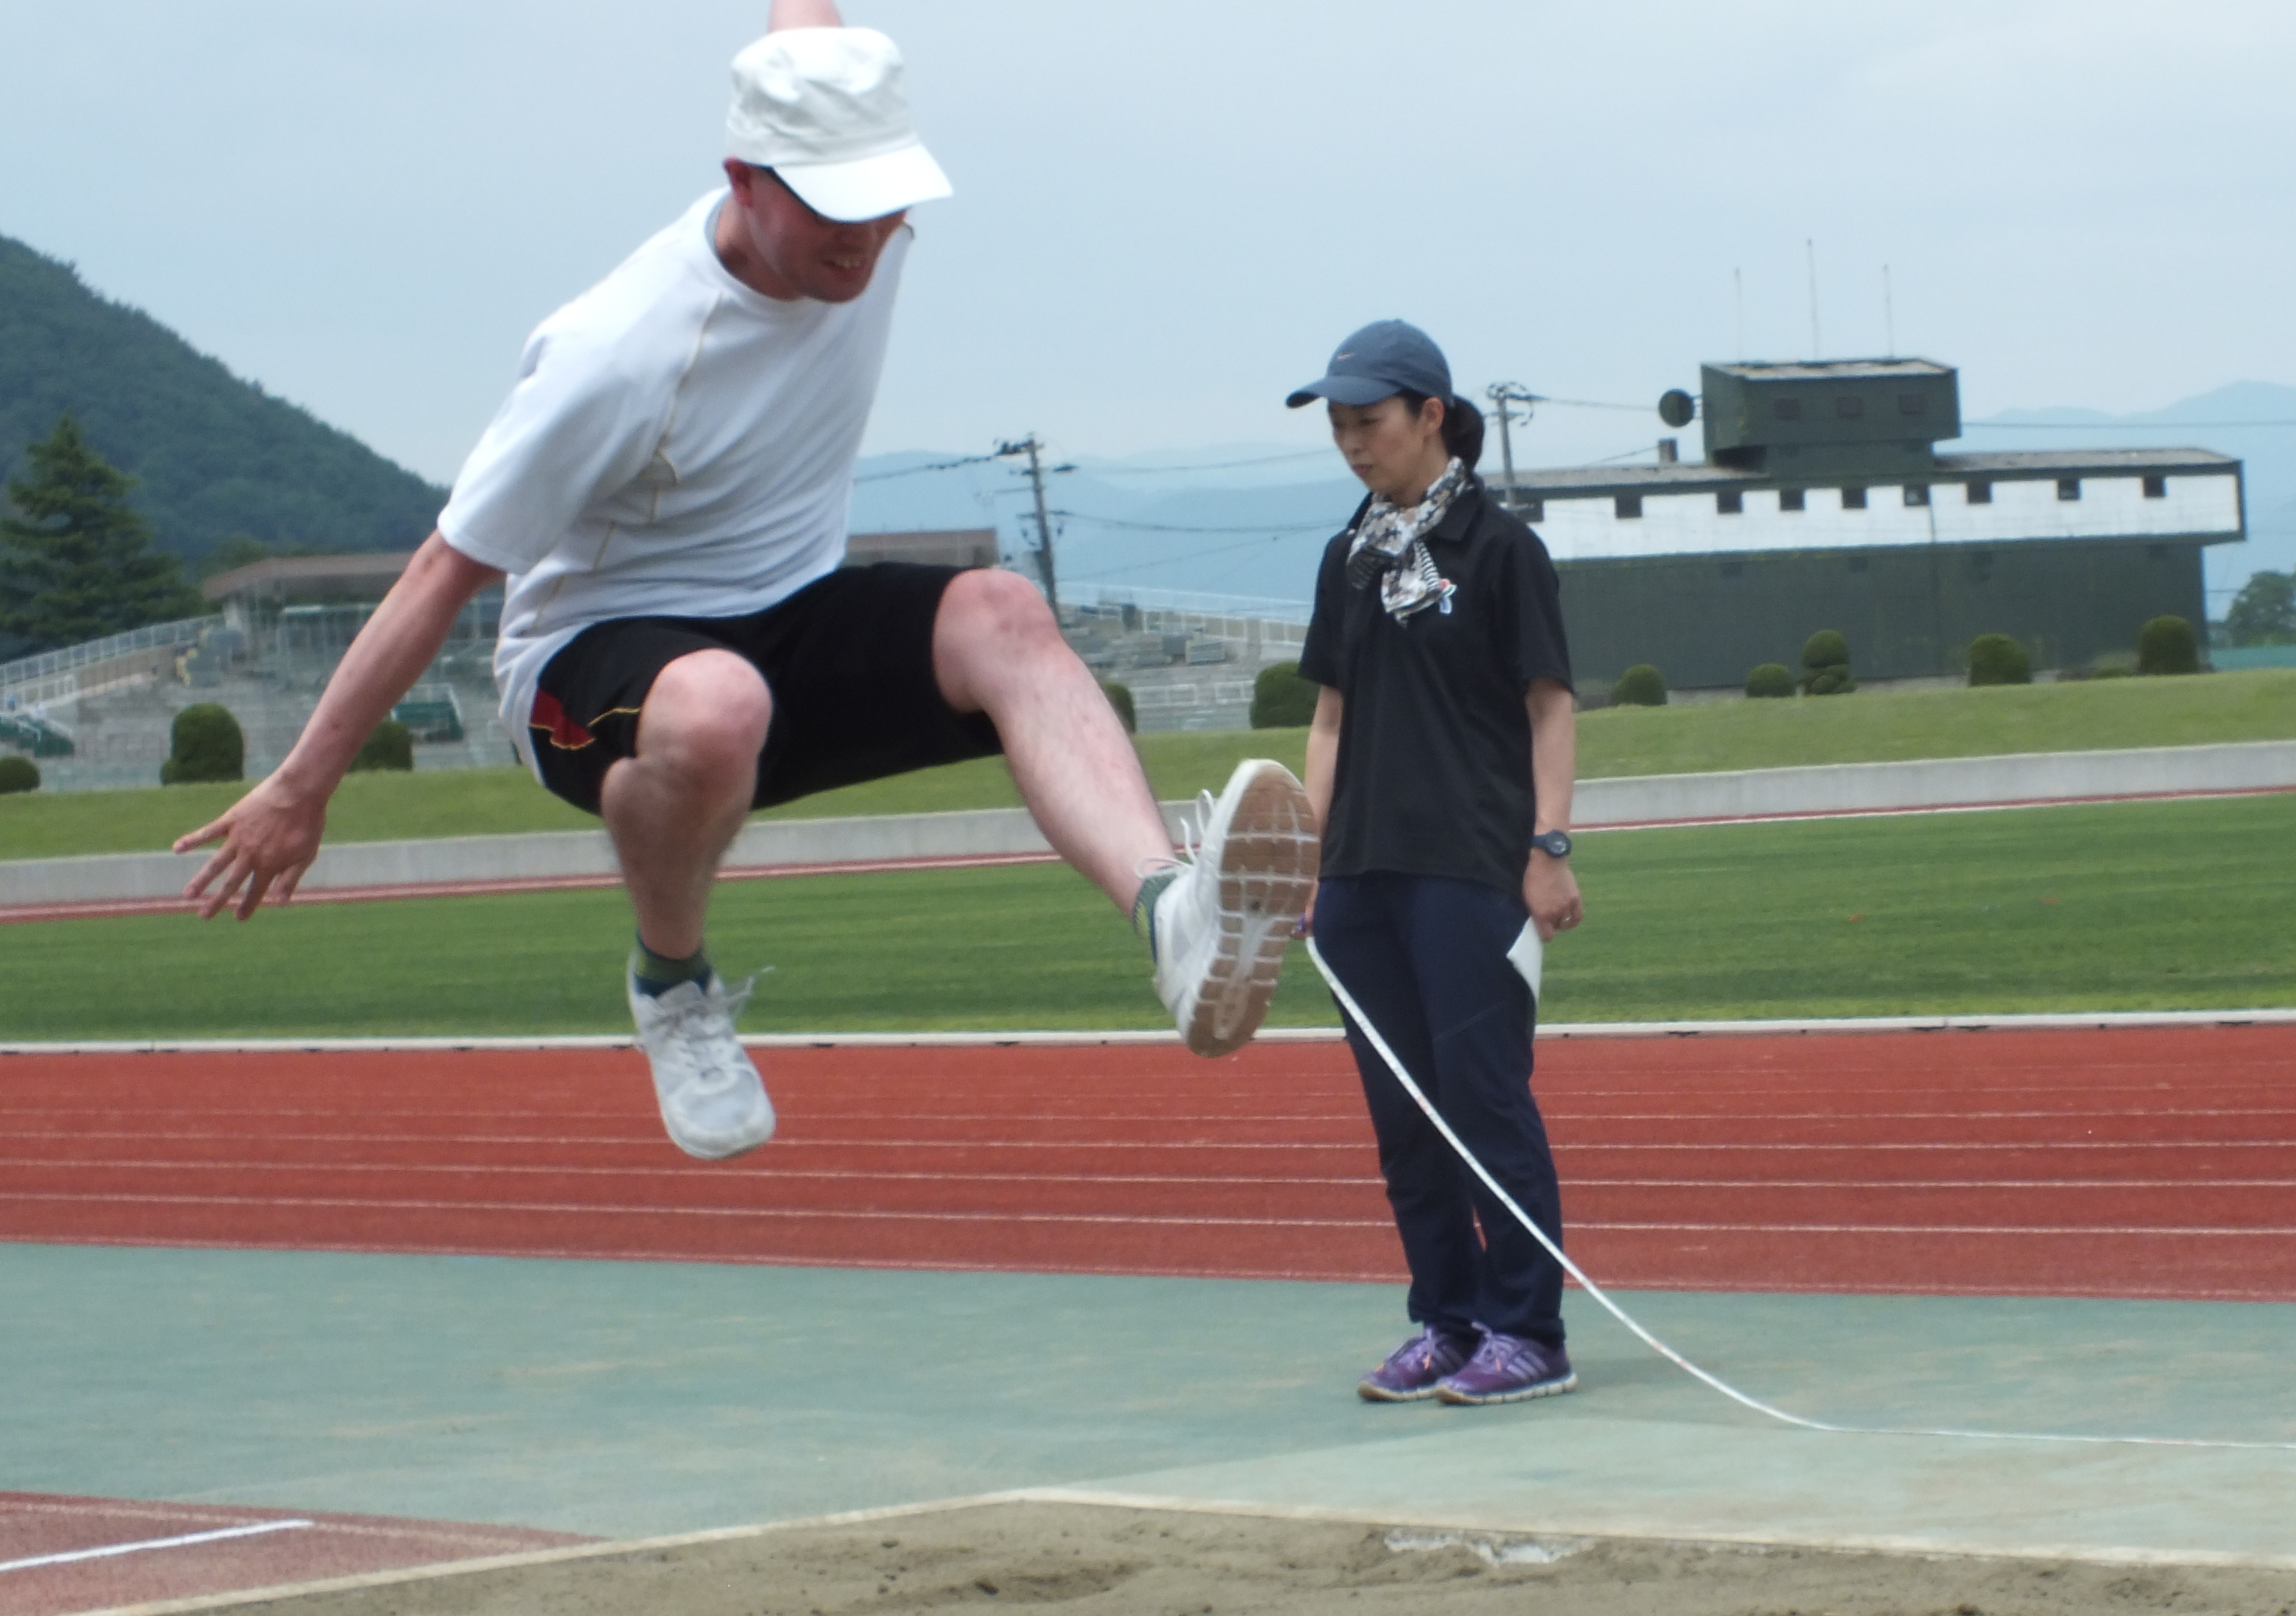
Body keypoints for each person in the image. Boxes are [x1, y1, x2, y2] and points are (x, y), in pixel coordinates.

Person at [175, 3, 1313, 1161]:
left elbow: (806, 25)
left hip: (790, 614)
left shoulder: (861, 223)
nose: (865, 239)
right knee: (718, 707)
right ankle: (673, 988)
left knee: (1003, 612)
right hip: (590, 655)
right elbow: (444, 568)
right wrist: (302, 785)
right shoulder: (619, 354)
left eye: (885, 200)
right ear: (745, 177)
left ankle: (1172, 916)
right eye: (833, 206)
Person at [1290, 321, 1585, 1407]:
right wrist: (1302, 860)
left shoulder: (1502, 551)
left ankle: (1530, 1331)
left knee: (1483, 1102)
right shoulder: (1348, 555)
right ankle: (1448, 1320)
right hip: (1359, 881)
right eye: (1338, 426)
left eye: (1368, 422)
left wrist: (1548, 845)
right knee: (1404, 1118)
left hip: (1470, 869)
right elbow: (1329, 719)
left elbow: (1549, 707)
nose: (1351, 443)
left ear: (1429, 415)